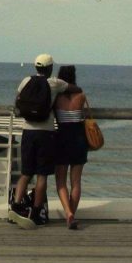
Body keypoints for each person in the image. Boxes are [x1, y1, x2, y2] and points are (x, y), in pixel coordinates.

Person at [9, 54, 67, 228]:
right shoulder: (55, 83)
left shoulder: (26, 80)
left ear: (36, 67)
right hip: (46, 133)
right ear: (50, 68)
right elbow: (73, 88)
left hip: (28, 131)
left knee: (26, 173)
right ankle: (35, 212)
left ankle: (16, 206)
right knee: (42, 175)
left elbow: (17, 102)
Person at [53, 65, 89, 230]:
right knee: (76, 182)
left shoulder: (56, 97)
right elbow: (85, 115)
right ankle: (71, 216)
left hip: (61, 140)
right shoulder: (81, 96)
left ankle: (68, 213)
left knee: (60, 181)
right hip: (79, 140)